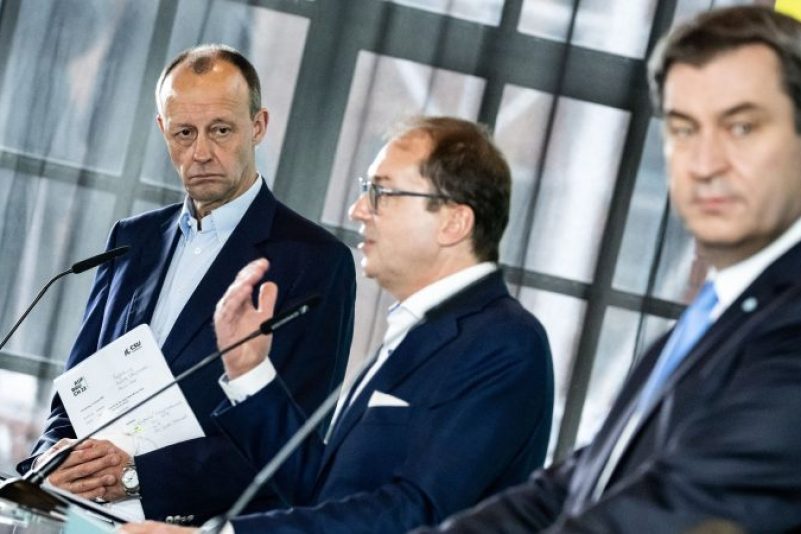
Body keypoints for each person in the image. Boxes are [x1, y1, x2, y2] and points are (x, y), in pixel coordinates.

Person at [412, 6, 801, 533]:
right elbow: (572, 487)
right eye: (685, 130)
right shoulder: (713, 318)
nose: (705, 163)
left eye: (741, 126)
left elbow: (667, 514)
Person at [121, 116, 554, 534]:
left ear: (454, 222)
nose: (358, 210)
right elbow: (321, 490)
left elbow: (416, 512)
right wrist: (249, 370)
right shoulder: (416, 329)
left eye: (381, 192)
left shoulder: (507, 343)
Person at [17, 45, 356, 524]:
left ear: (258, 126)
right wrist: (51, 461)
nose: (200, 152)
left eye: (220, 130)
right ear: (163, 131)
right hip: (79, 519)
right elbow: (72, 397)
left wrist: (135, 477)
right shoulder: (131, 240)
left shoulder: (317, 262)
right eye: (184, 133)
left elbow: (291, 446)